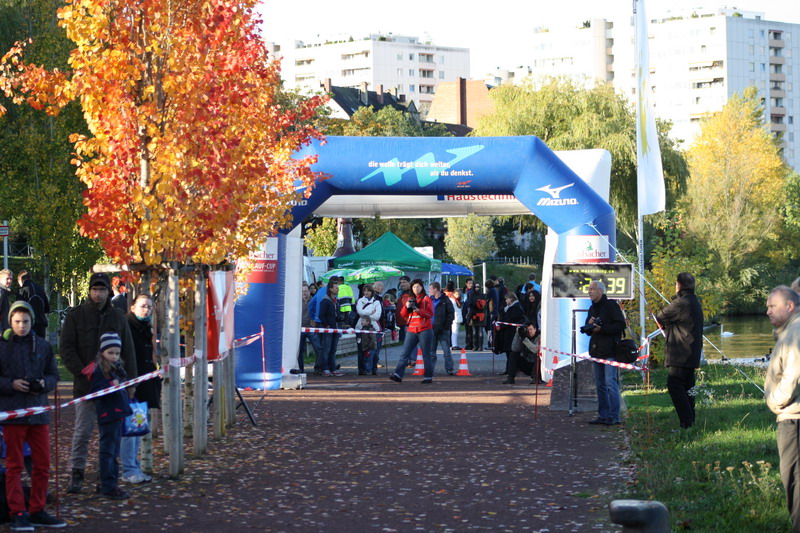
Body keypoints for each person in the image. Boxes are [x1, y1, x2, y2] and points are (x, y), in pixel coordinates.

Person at [60, 271, 137, 494]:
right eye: (95, 289)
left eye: (102, 290)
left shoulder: (118, 317)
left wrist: (131, 383)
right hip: (86, 387)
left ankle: (106, 478)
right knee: (82, 433)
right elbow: (66, 347)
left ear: (108, 292)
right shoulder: (76, 316)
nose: (98, 294)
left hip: (113, 388)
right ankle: (77, 474)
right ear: (89, 291)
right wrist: (81, 370)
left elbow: (128, 350)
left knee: (110, 437)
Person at [0, 301, 66, 529]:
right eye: (17, 321)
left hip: (38, 413)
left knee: (42, 464)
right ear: (10, 322)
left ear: (32, 322)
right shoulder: (2, 347)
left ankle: (37, 509)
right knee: (14, 465)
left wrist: (43, 383)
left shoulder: (43, 346)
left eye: (26, 321)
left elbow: (54, 375)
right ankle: (17, 512)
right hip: (13, 414)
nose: (22, 326)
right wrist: (11, 384)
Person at [765, 286, 800, 532]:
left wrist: (776, 401)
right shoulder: (790, 329)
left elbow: (793, 374)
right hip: (792, 415)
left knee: (794, 480)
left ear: (790, 306)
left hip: (794, 417)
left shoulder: (796, 331)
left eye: (772, 306)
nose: (768, 311)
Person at [655, 272, 704, 429]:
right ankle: (690, 422)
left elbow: (660, 316)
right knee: (688, 387)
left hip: (680, 352)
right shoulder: (694, 301)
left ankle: (686, 421)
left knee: (675, 385)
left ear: (679, 285)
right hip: (691, 351)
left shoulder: (681, 303)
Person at [88, 332, 133, 500]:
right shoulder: (100, 370)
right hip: (108, 415)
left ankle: (109, 482)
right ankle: (108, 485)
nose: (114, 356)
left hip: (118, 413)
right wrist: (110, 387)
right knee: (108, 451)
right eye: (110, 353)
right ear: (102, 352)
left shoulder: (118, 369)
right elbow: (95, 391)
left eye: (117, 353)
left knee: (114, 451)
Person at [121, 294, 160, 484]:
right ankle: (129, 469)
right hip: (131, 385)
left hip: (143, 383)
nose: (146, 310)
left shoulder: (145, 327)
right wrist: (130, 383)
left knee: (136, 427)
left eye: (149, 307)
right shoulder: (128, 327)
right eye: (143, 306)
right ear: (133, 307)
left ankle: (133, 467)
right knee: (130, 429)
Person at [583, 281, 625, 426]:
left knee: (610, 383)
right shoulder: (592, 308)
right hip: (596, 351)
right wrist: (589, 324)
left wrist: (603, 328)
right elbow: (588, 331)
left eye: (592, 289)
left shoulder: (611, 305)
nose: (589, 292)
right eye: (589, 289)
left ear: (600, 291)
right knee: (600, 384)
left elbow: (620, 325)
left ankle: (614, 416)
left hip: (610, 351)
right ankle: (603, 415)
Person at [390, 279, 434, 384]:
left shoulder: (426, 299)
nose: (416, 289)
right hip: (412, 329)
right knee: (405, 353)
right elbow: (402, 314)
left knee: (426, 354)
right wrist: (406, 307)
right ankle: (398, 375)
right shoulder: (410, 299)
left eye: (418, 286)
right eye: (414, 287)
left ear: (422, 287)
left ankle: (428, 377)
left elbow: (430, 314)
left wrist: (419, 310)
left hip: (424, 329)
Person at [503, 321, 545, 385]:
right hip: (527, 364)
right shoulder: (524, 336)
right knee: (513, 354)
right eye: (527, 330)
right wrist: (518, 334)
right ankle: (510, 378)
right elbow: (514, 349)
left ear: (535, 329)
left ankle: (535, 378)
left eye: (531, 329)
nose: (529, 332)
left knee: (538, 355)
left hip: (537, 367)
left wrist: (525, 339)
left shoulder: (540, 337)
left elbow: (535, 350)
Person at [494, 293, 526, 375]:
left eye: (507, 299)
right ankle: (509, 368)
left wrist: (501, 325)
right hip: (508, 332)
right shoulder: (511, 307)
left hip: (511, 333)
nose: (506, 300)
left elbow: (511, 320)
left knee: (511, 351)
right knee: (509, 352)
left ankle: (511, 369)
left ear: (511, 299)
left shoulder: (516, 308)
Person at [428, 282, 455, 375]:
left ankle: (449, 369)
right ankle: (430, 369)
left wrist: (446, 326)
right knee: (431, 352)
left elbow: (451, 313)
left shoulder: (445, 300)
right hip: (432, 329)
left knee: (446, 351)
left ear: (435, 289)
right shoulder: (429, 300)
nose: (429, 291)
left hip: (443, 329)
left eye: (430, 289)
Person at [294, 283, 321, 375]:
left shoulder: (314, 301)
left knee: (318, 348)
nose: (304, 293)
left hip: (311, 328)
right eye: (302, 291)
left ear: (309, 291)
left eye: (305, 291)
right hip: (300, 329)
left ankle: (318, 368)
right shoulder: (296, 302)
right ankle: (300, 369)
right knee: (299, 350)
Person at [355, 284, 382, 375]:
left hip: (374, 329)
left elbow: (377, 316)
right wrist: (371, 312)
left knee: (374, 350)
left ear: (372, 292)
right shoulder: (360, 301)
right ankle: (361, 370)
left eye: (368, 291)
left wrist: (366, 317)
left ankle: (374, 369)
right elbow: (360, 312)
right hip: (360, 328)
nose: (366, 292)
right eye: (365, 291)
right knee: (361, 350)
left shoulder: (377, 302)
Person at [318, 280, 342, 376]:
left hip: (336, 328)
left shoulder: (336, 301)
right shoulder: (325, 301)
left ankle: (333, 368)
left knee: (333, 350)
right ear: (331, 289)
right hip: (328, 329)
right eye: (336, 288)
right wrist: (326, 325)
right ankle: (325, 368)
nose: (338, 290)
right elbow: (321, 315)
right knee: (326, 349)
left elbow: (336, 314)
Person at [16, 270, 50, 339]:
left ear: (21, 279)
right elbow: (47, 308)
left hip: (28, 324)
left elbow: (18, 309)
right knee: (40, 344)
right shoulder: (40, 289)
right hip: (41, 323)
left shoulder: (22, 290)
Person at [466, 284, 488, 351]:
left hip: (475, 314)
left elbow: (470, 305)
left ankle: (477, 347)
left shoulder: (472, 295)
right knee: (478, 331)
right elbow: (485, 306)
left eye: (478, 287)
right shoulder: (483, 296)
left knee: (476, 331)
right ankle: (479, 347)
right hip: (481, 315)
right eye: (476, 287)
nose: (477, 288)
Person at [395, 276, 412, 343]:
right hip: (401, 321)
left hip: (407, 322)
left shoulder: (412, 293)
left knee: (409, 343)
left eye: (404, 282)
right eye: (401, 282)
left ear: (409, 283)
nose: (402, 284)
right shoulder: (402, 293)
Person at [462, 278, 475, 350]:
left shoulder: (472, 292)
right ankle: (469, 343)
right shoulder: (465, 292)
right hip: (466, 311)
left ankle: (470, 344)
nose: (471, 285)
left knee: (470, 330)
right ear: (466, 284)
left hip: (470, 312)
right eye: (469, 283)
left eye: (471, 283)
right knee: (468, 330)